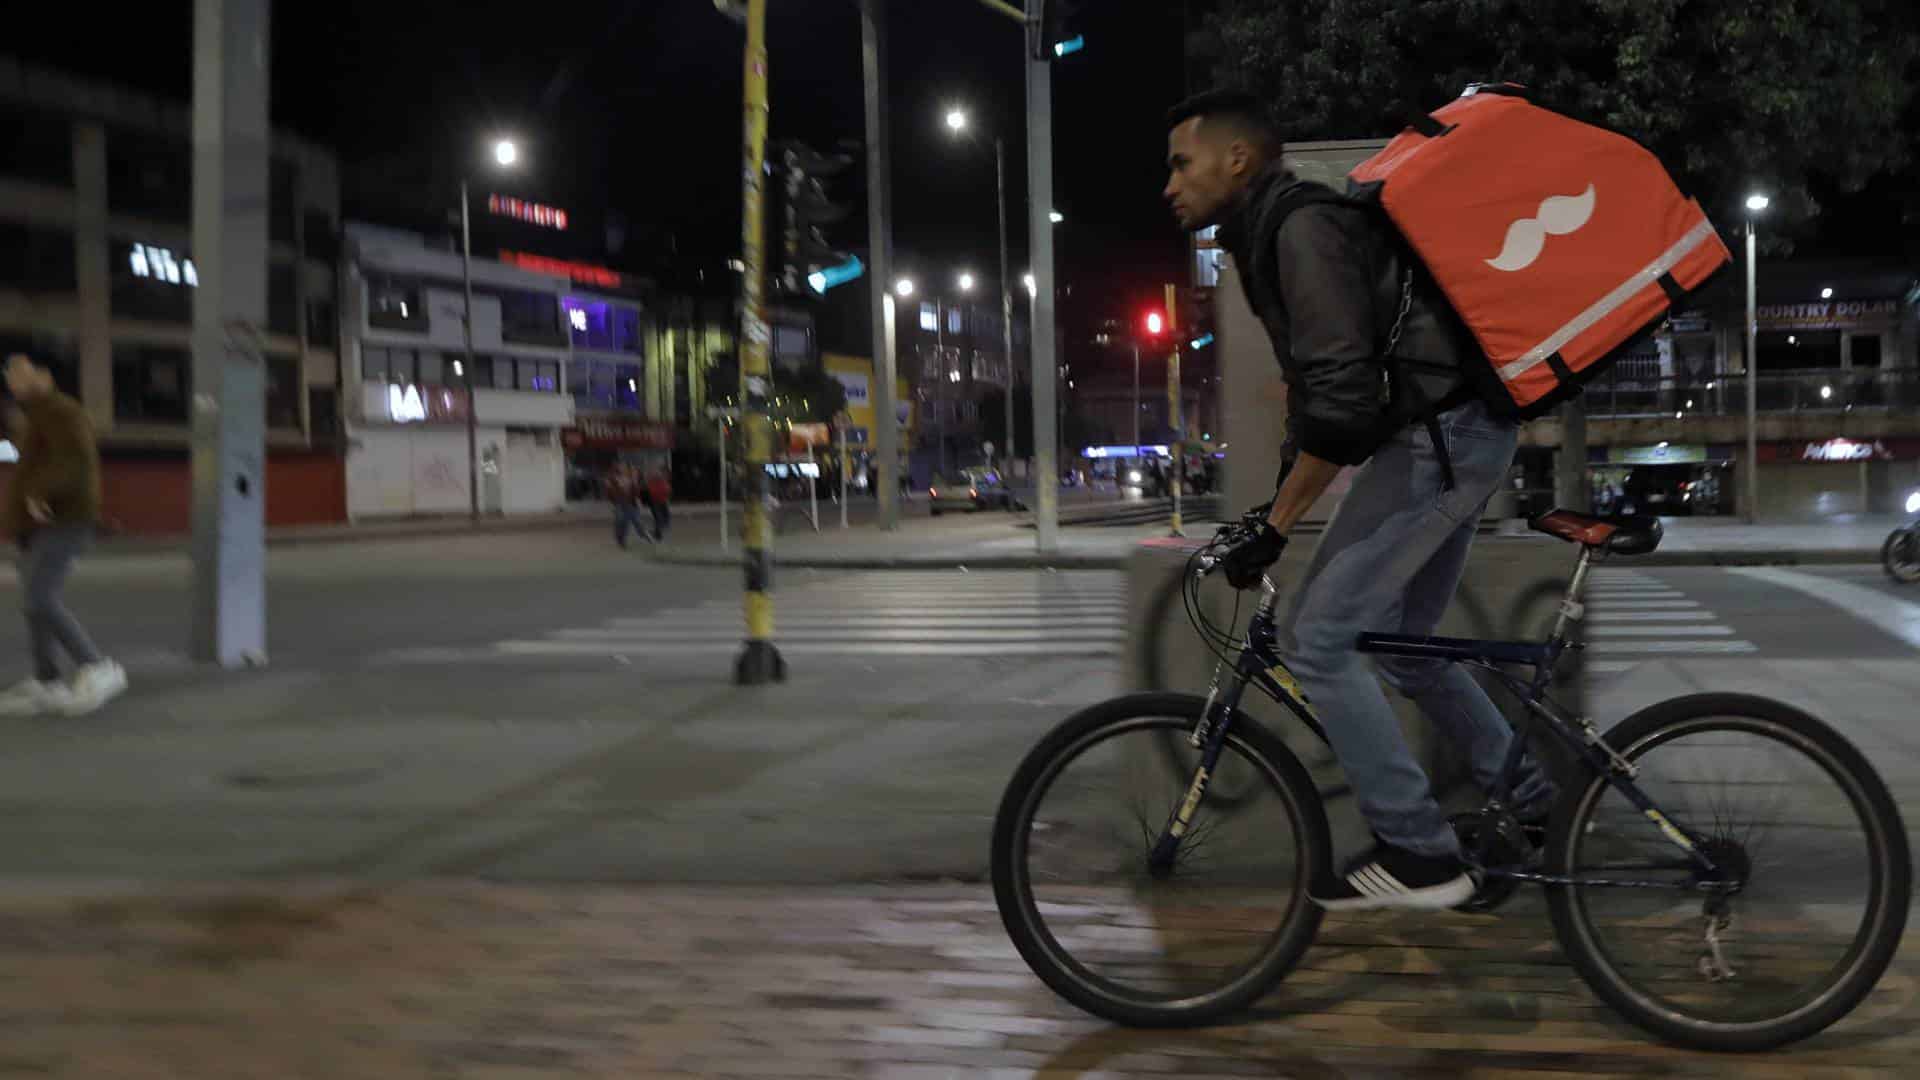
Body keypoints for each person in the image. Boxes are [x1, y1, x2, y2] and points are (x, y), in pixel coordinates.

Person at [1163, 91, 1556, 911]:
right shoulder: (1270, 232)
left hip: (1438, 442)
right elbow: (1318, 396)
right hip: (1455, 436)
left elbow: (1343, 407)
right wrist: (1274, 508)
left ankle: (1420, 851)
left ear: (1237, 159)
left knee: (1317, 639)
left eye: (1180, 163)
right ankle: (1536, 801)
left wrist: (1277, 525)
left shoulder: (1299, 228)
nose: (1169, 184)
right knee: (1404, 647)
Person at [0, 352, 125, 717]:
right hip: (39, 526)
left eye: (21, 372)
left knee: (40, 598)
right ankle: (46, 682)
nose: (13, 380)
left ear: (44, 374)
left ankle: (99, 667)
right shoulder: (33, 417)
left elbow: (77, 463)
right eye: (10, 375)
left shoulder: (62, 411)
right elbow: (29, 464)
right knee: (33, 603)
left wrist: (41, 494)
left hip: (66, 520)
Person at [608, 465, 648, 548]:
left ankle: (642, 534)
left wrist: (638, 500)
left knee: (633, 522)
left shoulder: (632, 481)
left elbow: (636, 493)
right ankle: (621, 539)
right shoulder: (614, 480)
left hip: (630, 504)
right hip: (620, 504)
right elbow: (611, 494)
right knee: (620, 522)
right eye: (621, 469)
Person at [644, 467, 672, 541]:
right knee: (659, 519)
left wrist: (666, 494)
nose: (659, 474)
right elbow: (652, 492)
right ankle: (656, 534)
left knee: (666, 518)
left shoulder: (663, 481)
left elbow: (667, 490)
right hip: (655, 503)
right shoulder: (652, 482)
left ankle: (656, 533)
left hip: (662, 502)